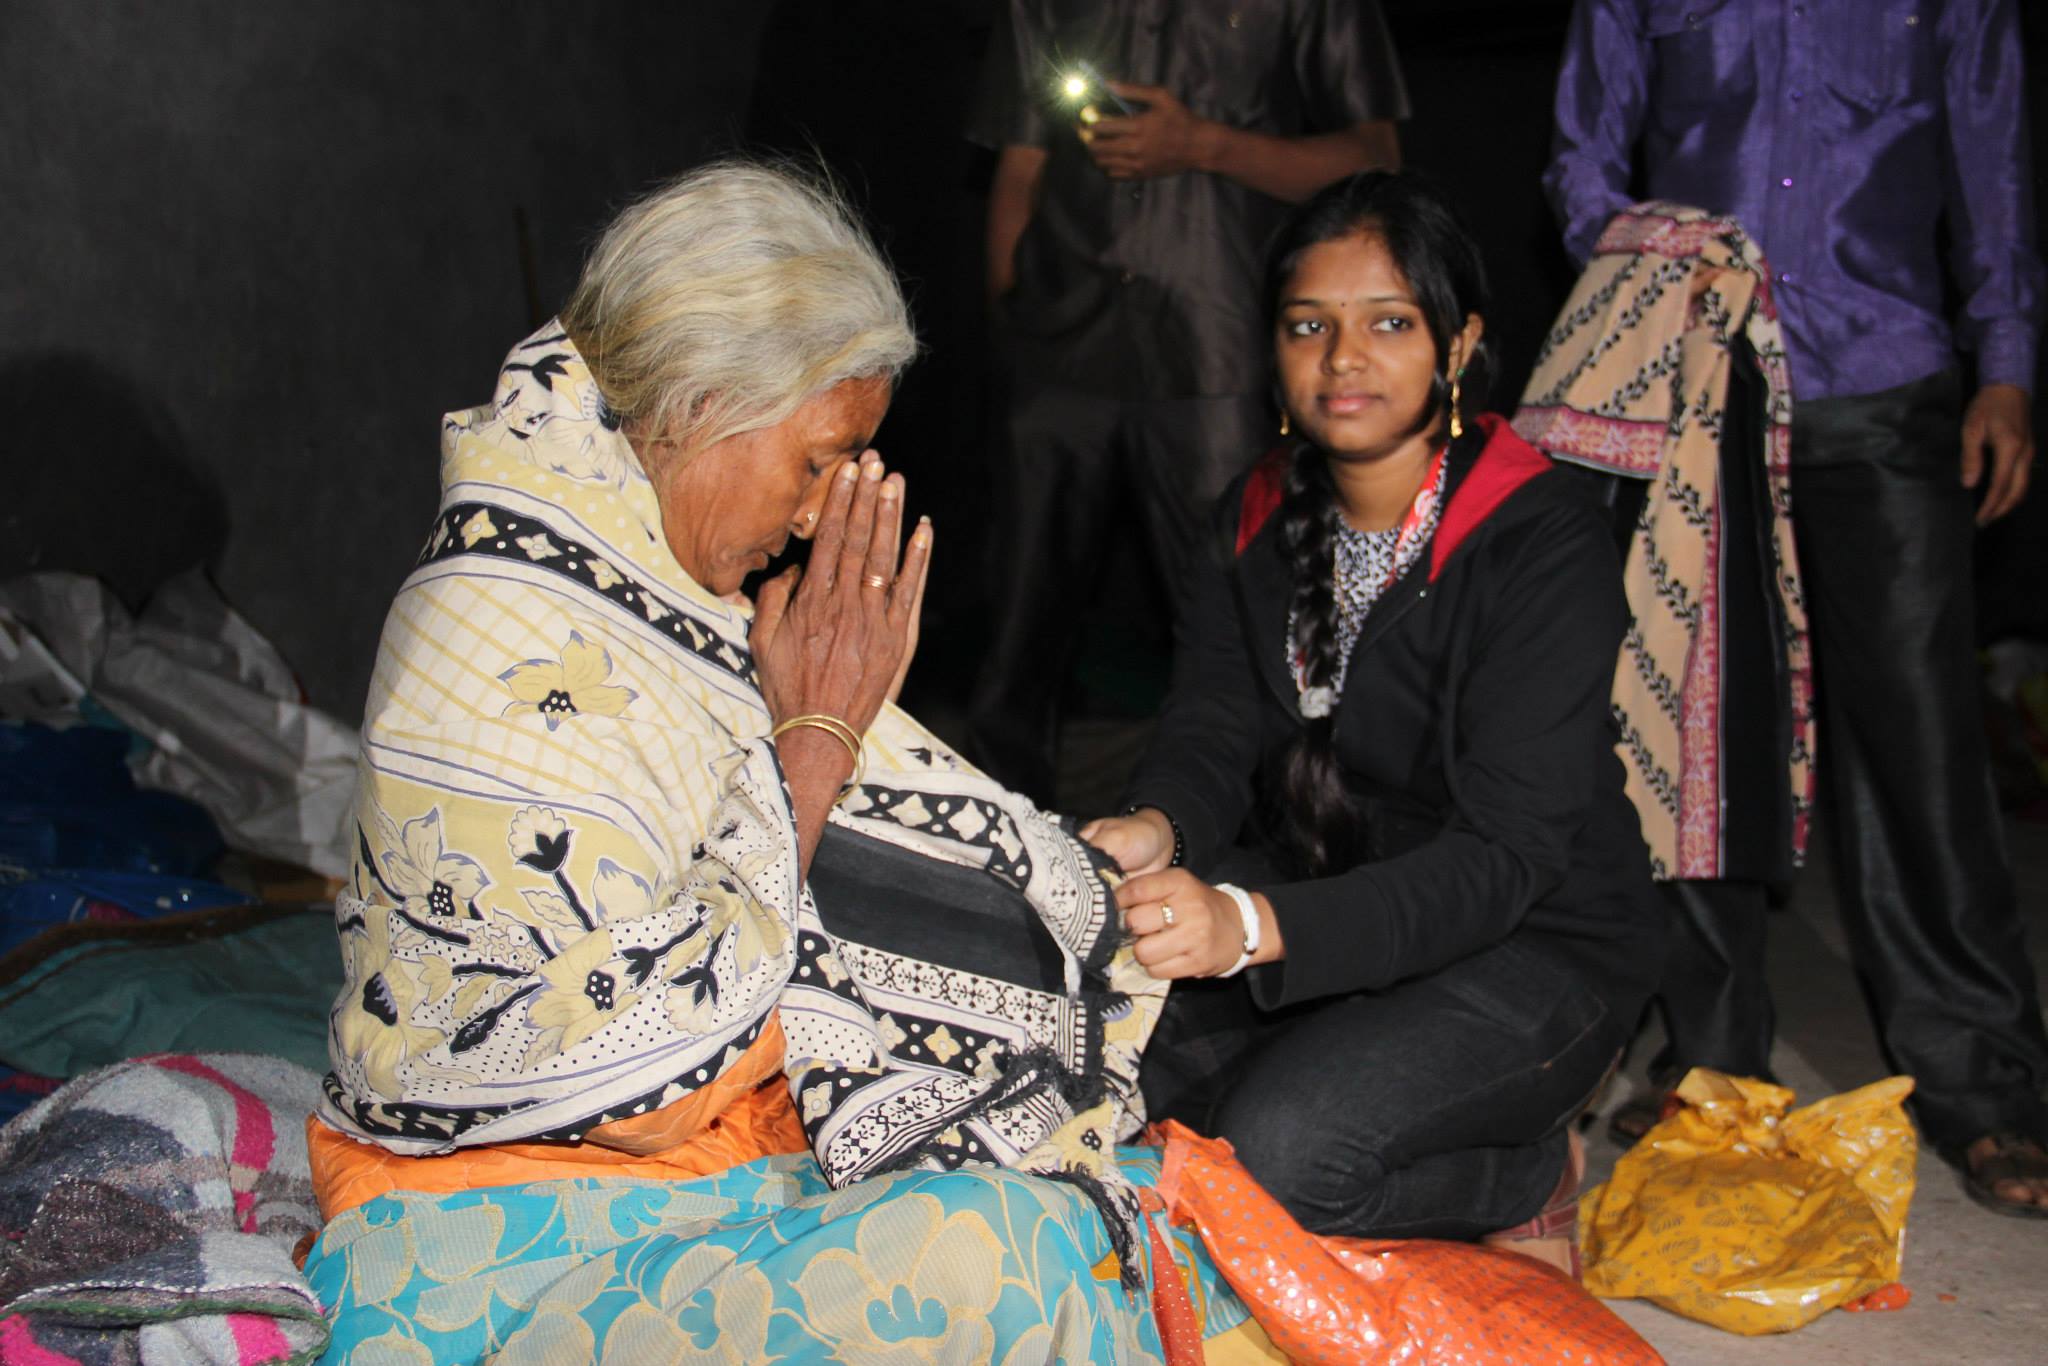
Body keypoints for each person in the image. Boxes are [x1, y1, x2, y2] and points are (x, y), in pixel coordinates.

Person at [301, 160, 1281, 1363]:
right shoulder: (496, 625)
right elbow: (633, 1078)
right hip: (505, 1224)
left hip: (713, 1153)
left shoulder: (650, 571)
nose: (818, 514)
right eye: (816, 459)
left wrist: (852, 747)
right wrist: (811, 740)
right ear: (701, 401)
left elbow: (784, 857)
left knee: (1157, 1202)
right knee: (998, 1258)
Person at [1080, 171, 1663, 1268]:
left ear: (1459, 342)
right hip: (1335, 892)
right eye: (1308, 326)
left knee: (1276, 1165)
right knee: (1095, 1084)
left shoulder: (1539, 541)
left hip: (1533, 939)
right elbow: (1212, 722)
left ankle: (1529, 1166)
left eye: (1388, 322)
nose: (1342, 358)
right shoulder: (1250, 513)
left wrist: (1247, 929)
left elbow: (1502, 857)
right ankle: (1342, 1065)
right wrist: (1155, 827)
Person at [1546, 0, 2048, 1216]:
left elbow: (1990, 159)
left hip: (1882, 376)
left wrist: (2006, 366)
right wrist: (1646, 279)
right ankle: (1713, 1066)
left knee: (1919, 741)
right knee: (1699, 729)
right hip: (1698, 382)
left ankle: (1981, 1084)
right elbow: (1580, 157)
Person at [966, 0, 1410, 804]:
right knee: (1014, 627)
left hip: (1219, 340)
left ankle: (1275, 848)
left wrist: (1204, 144)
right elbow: (1020, 167)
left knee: (1246, 625)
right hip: (1059, 345)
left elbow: (1374, 155)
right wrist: (1011, 328)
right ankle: (992, 855)